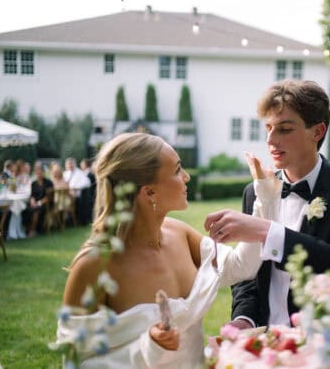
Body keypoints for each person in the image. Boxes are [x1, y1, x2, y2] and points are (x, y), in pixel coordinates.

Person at [56, 133, 267, 368]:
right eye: (177, 170)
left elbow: (241, 267)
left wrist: (265, 197)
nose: (186, 177)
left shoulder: (180, 233)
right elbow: (76, 361)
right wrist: (148, 348)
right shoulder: (94, 265)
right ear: (149, 193)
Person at [205, 79, 330, 330]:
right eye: (268, 128)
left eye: (284, 129)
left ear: (317, 132)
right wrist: (244, 318)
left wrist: (267, 232)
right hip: (267, 343)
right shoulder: (254, 192)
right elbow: (248, 273)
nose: (270, 140)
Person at [25, 162, 54, 237]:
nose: (38, 173)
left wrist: (38, 203)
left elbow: (49, 197)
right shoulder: (33, 183)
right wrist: (32, 201)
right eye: (37, 172)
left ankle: (33, 230)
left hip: (46, 204)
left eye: (40, 172)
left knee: (36, 209)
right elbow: (32, 195)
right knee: (26, 208)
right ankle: (26, 228)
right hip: (36, 202)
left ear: (43, 172)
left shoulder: (49, 183)